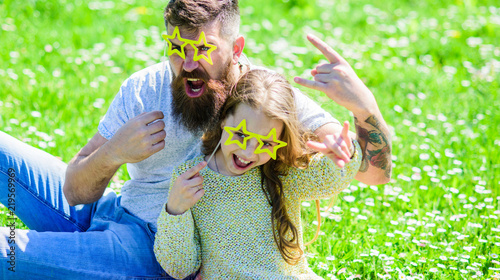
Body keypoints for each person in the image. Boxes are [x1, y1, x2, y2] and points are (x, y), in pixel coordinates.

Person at [0, 0, 391, 279]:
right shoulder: (144, 88)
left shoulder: (265, 99)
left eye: (202, 49)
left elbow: (373, 172)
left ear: (236, 48)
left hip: (150, 248)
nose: (187, 65)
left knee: (6, 255)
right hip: (111, 208)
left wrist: (363, 108)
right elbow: (74, 189)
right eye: (176, 49)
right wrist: (115, 152)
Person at [154, 69, 362, 279]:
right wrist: (175, 210)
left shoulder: (281, 172)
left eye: (266, 142)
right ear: (224, 119)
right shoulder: (191, 178)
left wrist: (344, 153)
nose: (249, 152)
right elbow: (179, 267)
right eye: (241, 134)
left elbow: (327, 179)